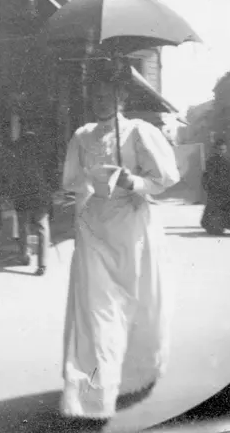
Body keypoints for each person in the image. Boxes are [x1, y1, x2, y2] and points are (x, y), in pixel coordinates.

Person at [60, 60, 180, 424]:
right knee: (96, 312)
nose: (100, 101)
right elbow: (71, 181)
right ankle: (92, 396)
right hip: (94, 229)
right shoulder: (81, 136)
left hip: (132, 226)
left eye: (107, 95)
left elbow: (165, 178)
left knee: (136, 304)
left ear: (121, 97)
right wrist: (90, 182)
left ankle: (135, 374)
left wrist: (133, 181)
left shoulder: (139, 132)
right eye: (95, 96)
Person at [8, 130, 53, 276]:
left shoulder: (17, 157)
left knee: (23, 227)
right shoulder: (44, 156)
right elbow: (51, 177)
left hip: (23, 196)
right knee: (42, 228)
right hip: (40, 196)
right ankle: (42, 264)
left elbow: (12, 177)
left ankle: (24, 256)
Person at [200, 138, 230, 235]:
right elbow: (207, 175)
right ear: (215, 149)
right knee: (214, 208)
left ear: (226, 150)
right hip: (215, 189)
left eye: (223, 150)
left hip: (227, 189)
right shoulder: (210, 161)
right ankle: (214, 227)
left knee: (227, 208)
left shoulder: (229, 160)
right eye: (219, 149)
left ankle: (226, 226)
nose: (221, 152)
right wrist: (207, 186)